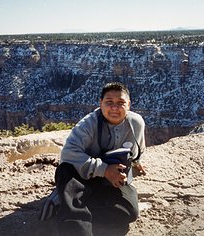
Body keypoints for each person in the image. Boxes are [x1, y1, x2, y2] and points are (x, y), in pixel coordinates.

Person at [54, 82, 146, 235]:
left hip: (111, 178)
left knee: (129, 211)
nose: (115, 108)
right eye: (109, 102)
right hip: (80, 174)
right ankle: (75, 222)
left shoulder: (136, 123)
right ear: (101, 104)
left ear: (129, 105)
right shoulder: (88, 124)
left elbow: (137, 150)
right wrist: (104, 169)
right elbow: (68, 154)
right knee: (65, 170)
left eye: (121, 103)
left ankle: (69, 205)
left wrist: (136, 162)